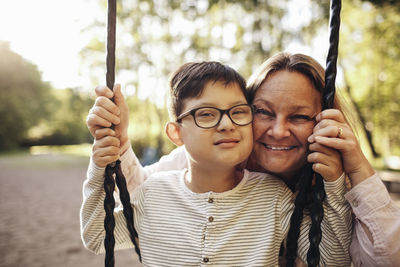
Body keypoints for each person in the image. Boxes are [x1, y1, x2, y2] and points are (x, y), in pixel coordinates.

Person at [86, 53, 400, 266]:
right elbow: (138, 203)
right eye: (263, 111)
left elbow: (373, 259)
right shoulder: (201, 160)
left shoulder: (282, 196)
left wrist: (353, 170)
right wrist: (116, 144)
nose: (278, 131)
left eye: (300, 116)